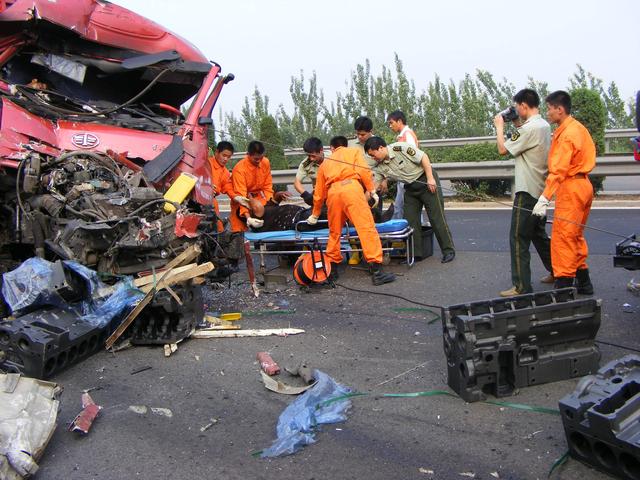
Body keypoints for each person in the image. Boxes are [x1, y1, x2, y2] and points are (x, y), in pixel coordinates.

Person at [307, 136, 395, 285]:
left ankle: (331, 272)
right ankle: (377, 272)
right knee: (366, 229)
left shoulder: (325, 164)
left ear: (332, 148)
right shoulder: (353, 152)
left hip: (333, 194)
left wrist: (315, 214)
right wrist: (372, 190)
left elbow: (318, 194)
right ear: (345, 145)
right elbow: (364, 171)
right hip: (351, 189)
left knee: (334, 232)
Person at [532, 90, 595, 294]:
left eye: (550, 108)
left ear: (560, 109)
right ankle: (584, 283)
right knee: (575, 236)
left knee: (563, 238)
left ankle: (563, 288)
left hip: (571, 187)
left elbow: (558, 169)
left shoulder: (567, 134)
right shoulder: (577, 128)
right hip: (584, 185)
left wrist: (544, 198)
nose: (548, 112)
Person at [494, 89, 553, 297]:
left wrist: (499, 126)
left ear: (523, 106)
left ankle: (521, 286)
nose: (516, 110)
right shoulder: (543, 125)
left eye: (517, 106)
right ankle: (557, 270)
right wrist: (517, 124)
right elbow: (525, 139)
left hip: (526, 191)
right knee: (538, 234)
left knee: (518, 238)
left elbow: (503, 149)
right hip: (541, 189)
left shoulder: (529, 129)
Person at [365, 136, 455, 263]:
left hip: (425, 180)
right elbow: (373, 188)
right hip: (410, 188)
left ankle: (448, 250)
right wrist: (361, 201)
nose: (373, 158)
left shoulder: (400, 148)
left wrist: (430, 178)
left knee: (436, 217)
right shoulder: (379, 166)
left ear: (380, 148)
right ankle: (416, 253)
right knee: (410, 220)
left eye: (373, 155)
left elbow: (423, 157)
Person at [230, 140, 289, 232]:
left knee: (268, 222)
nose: (259, 161)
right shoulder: (239, 170)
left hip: (260, 199)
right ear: (248, 154)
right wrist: (248, 217)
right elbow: (241, 197)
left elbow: (267, 186)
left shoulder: (265, 162)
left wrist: (271, 204)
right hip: (241, 202)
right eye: (256, 159)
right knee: (238, 233)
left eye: (261, 158)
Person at [387, 110, 419, 220]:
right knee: (403, 206)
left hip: (407, 176)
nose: (390, 126)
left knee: (403, 206)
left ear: (399, 121)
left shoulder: (407, 134)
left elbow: (413, 155)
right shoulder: (402, 136)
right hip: (403, 175)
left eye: (391, 123)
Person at [207, 141, 245, 232]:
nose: (225, 159)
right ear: (216, 152)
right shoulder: (206, 163)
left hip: (211, 202)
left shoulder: (225, 173)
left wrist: (236, 197)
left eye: (228, 157)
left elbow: (228, 187)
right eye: (224, 155)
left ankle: (220, 234)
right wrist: (206, 187)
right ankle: (220, 234)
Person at [294, 137, 325, 206]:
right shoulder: (305, 164)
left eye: (313, 156)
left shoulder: (333, 157)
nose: (311, 159)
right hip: (318, 195)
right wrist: (305, 194)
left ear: (321, 150)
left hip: (334, 192)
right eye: (308, 156)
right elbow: (297, 182)